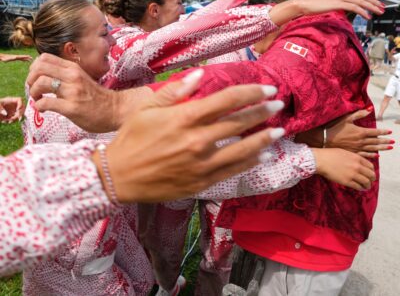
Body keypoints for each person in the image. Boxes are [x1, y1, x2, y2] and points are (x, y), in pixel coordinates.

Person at [143, 0, 387, 296]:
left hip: (304, 235)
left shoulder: (318, 35)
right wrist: (318, 139)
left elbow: (263, 91)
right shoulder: (312, 25)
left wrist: (147, 102)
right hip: (291, 220)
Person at [0, 74, 286, 278]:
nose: (111, 40)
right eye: (102, 34)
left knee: (141, 272)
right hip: (79, 251)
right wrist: (104, 171)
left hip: (103, 227)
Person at [377, 51, 400, 122]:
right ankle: (380, 116)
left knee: (399, 100)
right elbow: (391, 59)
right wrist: (389, 53)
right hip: (394, 77)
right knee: (387, 96)